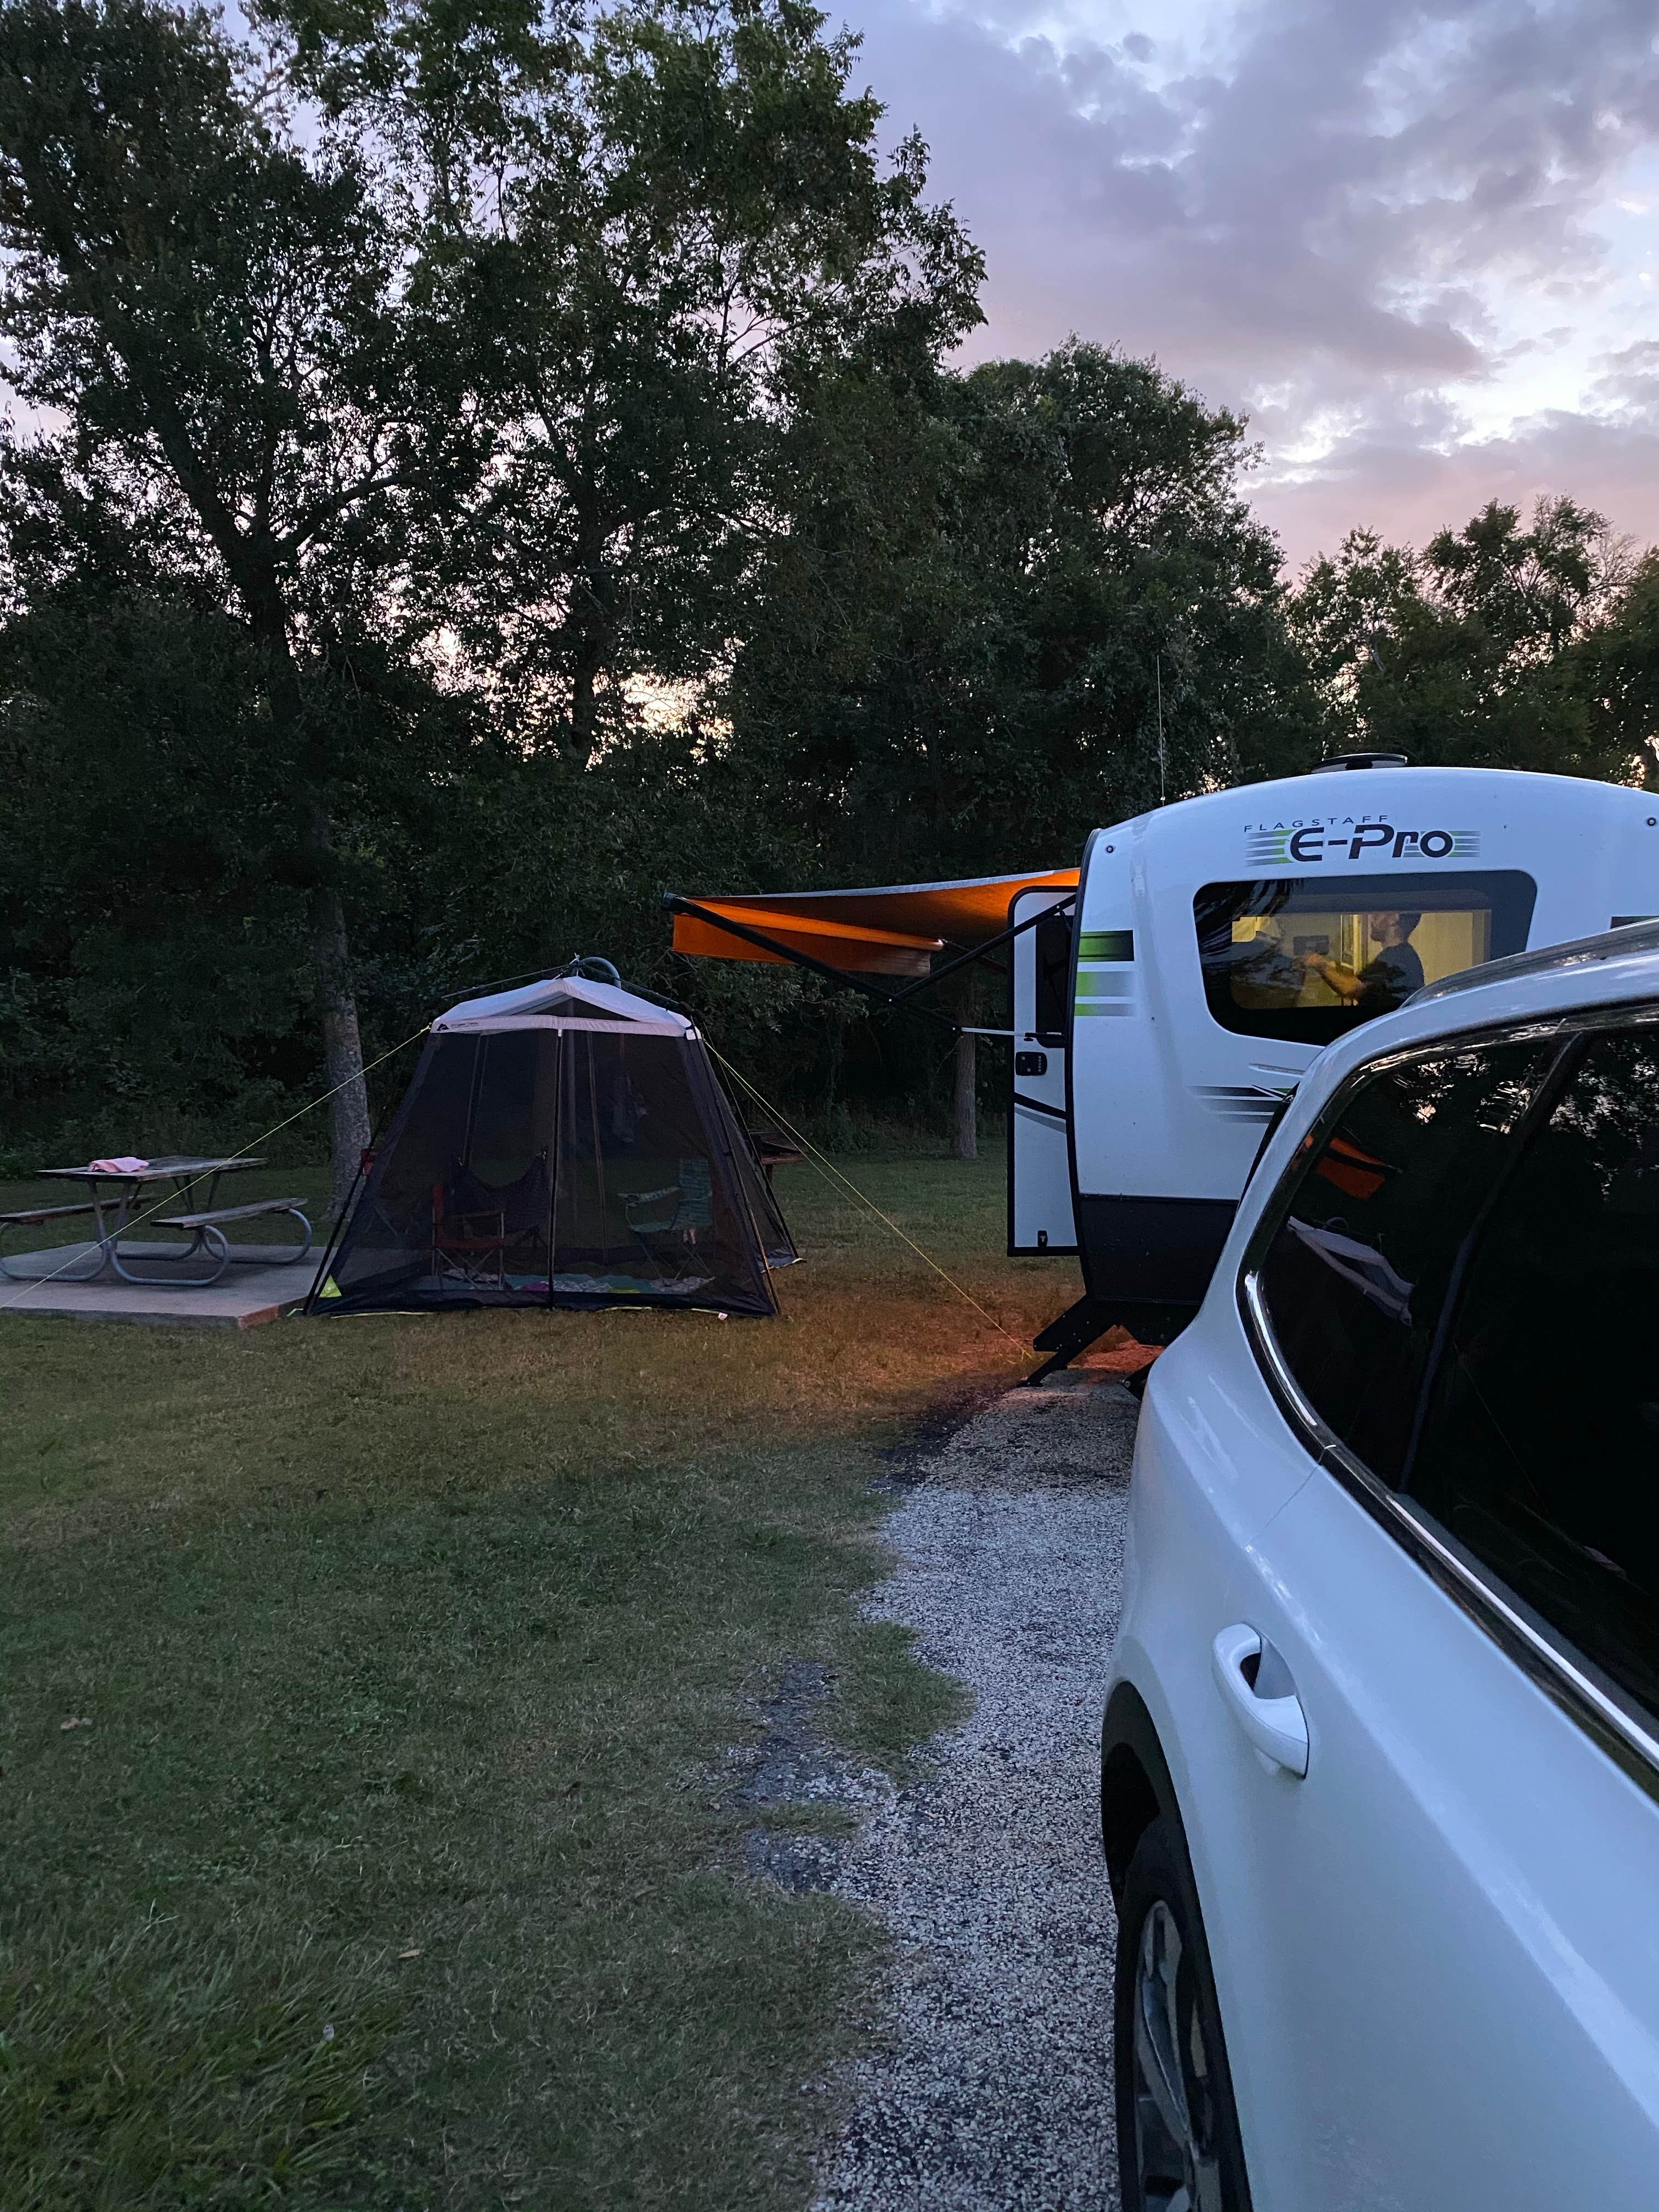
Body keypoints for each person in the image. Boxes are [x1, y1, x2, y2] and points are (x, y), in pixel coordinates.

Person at [1303, 911, 1424, 1016]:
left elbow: (1351, 988)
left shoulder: (1395, 958)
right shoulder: (1402, 955)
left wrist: (1320, 965)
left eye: (1377, 915)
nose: (1372, 919)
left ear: (1393, 919)